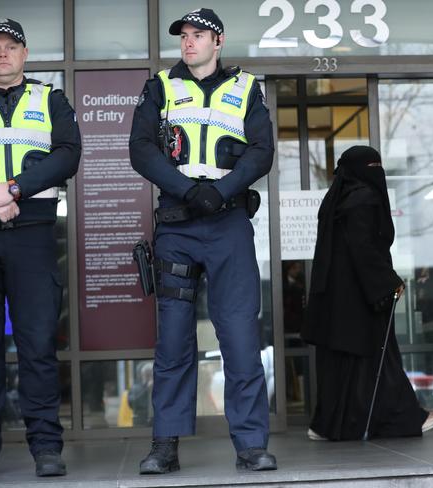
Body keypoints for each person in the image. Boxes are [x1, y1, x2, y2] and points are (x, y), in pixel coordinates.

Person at [129, 7, 276, 474]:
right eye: (184, 36)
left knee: (239, 335)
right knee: (173, 341)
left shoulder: (246, 88)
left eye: (198, 35)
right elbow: (141, 149)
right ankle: (165, 446)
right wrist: (190, 190)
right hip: (177, 224)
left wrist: (222, 191)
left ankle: (251, 445)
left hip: (229, 224)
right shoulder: (160, 87)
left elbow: (262, 150)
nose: (189, 42)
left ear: (219, 41)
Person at [0, 18, 81, 478]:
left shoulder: (49, 97)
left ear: (24, 53)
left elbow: (69, 153)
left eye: (10, 47)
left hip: (34, 235)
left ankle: (46, 448)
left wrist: (12, 191)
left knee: (38, 344)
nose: (2, 54)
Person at [301, 146, 433, 441]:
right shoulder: (364, 200)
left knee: (341, 368)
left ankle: (327, 426)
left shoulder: (336, 200)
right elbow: (364, 249)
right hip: (360, 300)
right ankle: (408, 419)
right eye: (373, 165)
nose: (377, 171)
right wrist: (390, 281)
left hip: (334, 302)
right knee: (382, 361)